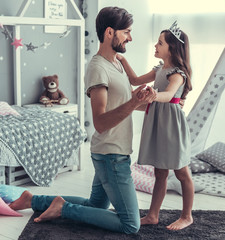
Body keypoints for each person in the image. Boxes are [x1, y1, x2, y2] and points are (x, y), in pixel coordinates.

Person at [9, 7, 157, 234]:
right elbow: (100, 121)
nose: (130, 37)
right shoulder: (98, 68)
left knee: (95, 206)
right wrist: (134, 102)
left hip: (112, 151)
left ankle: (34, 200)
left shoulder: (117, 63)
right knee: (130, 224)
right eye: (126, 32)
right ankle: (64, 209)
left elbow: (123, 104)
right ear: (110, 32)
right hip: (111, 155)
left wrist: (158, 103)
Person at [117, 21, 194, 230]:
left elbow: (169, 95)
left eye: (160, 43)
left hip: (172, 127)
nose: (155, 46)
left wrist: (152, 95)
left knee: (181, 172)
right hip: (158, 123)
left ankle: (187, 216)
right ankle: (153, 215)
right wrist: (122, 59)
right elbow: (134, 80)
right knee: (159, 172)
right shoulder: (159, 69)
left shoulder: (178, 73)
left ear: (172, 48)